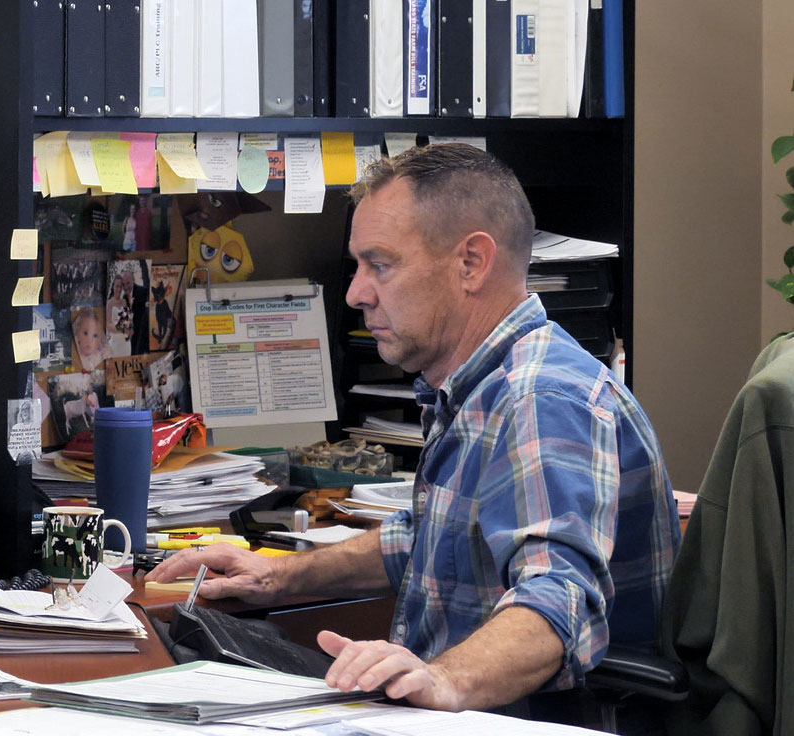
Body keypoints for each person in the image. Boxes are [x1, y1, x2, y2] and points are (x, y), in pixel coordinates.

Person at [147, 143, 681, 730]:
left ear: (471, 263)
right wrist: (274, 575)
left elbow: (559, 599)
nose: (355, 292)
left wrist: (445, 678)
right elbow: (428, 543)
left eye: (380, 264)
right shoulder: (474, 388)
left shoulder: (541, 400)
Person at [71, 307, 108, 372]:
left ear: (100, 340)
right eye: (85, 333)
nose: (89, 340)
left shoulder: (101, 355)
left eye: (95, 335)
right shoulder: (74, 356)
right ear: (77, 334)